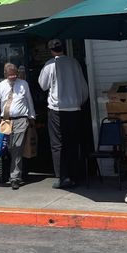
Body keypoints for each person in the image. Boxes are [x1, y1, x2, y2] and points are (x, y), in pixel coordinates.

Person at [38, 38, 89, 189]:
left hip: (57, 109)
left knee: (57, 144)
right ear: (63, 48)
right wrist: (78, 102)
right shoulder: (74, 63)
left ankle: (62, 177)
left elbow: (43, 85)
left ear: (51, 50)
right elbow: (84, 88)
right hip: (75, 108)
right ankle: (75, 176)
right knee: (73, 143)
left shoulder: (50, 64)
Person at [0, 63, 36, 190]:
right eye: (10, 75)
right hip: (6, 120)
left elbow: (29, 100)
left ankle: (15, 177)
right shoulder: (0, 86)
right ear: (5, 74)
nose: (13, 77)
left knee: (17, 148)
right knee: (8, 147)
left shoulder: (23, 84)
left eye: (15, 75)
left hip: (21, 119)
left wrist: (32, 116)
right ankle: (7, 174)